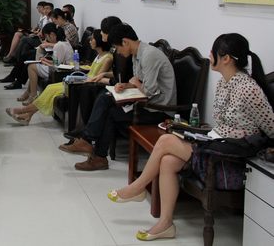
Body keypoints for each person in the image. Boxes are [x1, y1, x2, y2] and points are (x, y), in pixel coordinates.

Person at [108, 33, 274, 241]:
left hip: (230, 154)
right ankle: (165, 224)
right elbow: (223, 125)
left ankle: (137, 187)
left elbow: (271, 126)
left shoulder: (248, 89)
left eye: (213, 52)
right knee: (168, 161)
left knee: (165, 140)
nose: (210, 55)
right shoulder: (224, 83)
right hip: (215, 141)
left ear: (226, 59)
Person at [61, 24, 176, 171]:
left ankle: (96, 153)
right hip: (146, 103)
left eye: (117, 47)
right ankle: (88, 142)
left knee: (110, 113)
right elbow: (138, 81)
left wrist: (134, 83)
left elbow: (148, 91)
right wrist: (126, 85)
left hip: (159, 110)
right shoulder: (137, 54)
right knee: (105, 98)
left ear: (125, 42)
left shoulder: (149, 55)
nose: (118, 52)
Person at [6, 29, 113, 125]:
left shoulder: (107, 58)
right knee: (50, 88)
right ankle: (27, 116)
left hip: (84, 85)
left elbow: (96, 78)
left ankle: (21, 111)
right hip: (82, 80)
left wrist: (78, 79)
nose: (90, 41)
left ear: (99, 41)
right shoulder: (99, 55)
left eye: (92, 39)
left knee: (51, 90)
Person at [15, 23, 74, 106]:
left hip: (61, 72)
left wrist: (45, 62)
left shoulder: (59, 45)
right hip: (61, 70)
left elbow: (56, 65)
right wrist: (45, 60)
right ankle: (29, 92)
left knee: (31, 67)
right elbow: (57, 62)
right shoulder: (64, 43)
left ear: (52, 35)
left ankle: (33, 95)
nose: (47, 39)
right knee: (34, 66)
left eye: (47, 36)